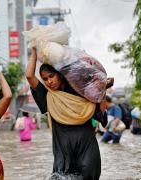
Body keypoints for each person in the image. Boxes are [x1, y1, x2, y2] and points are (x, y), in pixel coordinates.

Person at [25, 48, 107, 179]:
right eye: (45, 79)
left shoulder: (81, 91)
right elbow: (29, 75)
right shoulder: (47, 95)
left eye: (51, 76)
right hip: (64, 151)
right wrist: (34, 51)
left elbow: (100, 111)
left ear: (60, 74)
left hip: (86, 146)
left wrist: (102, 90)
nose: (49, 81)